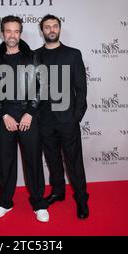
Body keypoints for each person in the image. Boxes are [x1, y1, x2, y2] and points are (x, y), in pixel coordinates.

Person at [0, 15, 49, 223]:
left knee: (33, 160)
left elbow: (42, 87)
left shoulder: (32, 57)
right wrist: (3, 114)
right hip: (4, 117)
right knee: (5, 162)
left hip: (28, 116)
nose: (12, 35)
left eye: (16, 31)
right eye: (8, 31)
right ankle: (5, 202)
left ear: (20, 33)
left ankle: (38, 203)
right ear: (2, 33)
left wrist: (30, 113)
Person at [36, 14, 90, 219]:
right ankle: (58, 191)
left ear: (59, 29)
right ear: (42, 31)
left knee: (73, 161)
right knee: (52, 159)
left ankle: (82, 198)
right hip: (44, 120)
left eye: (54, 26)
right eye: (47, 27)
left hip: (67, 119)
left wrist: (76, 116)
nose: (51, 30)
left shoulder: (73, 54)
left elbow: (81, 88)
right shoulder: (35, 55)